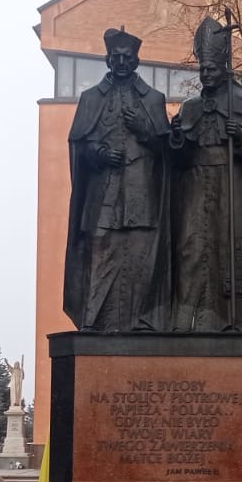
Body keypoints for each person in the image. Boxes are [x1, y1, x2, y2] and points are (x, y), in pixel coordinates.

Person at [168, 15, 242, 333]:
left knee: (228, 250)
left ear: (224, 65)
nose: (206, 74)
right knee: (190, 247)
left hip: (233, 184)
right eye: (202, 69)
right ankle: (182, 322)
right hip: (195, 185)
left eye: (212, 69)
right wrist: (176, 136)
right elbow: (177, 156)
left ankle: (227, 321)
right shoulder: (189, 107)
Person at [63, 27, 171, 332]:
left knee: (139, 258)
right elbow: (79, 145)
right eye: (116, 56)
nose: (121, 61)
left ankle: (141, 323)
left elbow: (168, 150)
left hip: (140, 196)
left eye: (127, 57)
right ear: (108, 59)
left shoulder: (153, 99)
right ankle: (95, 322)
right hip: (104, 194)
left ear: (136, 61)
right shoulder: (89, 98)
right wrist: (97, 153)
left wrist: (145, 129)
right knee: (100, 252)